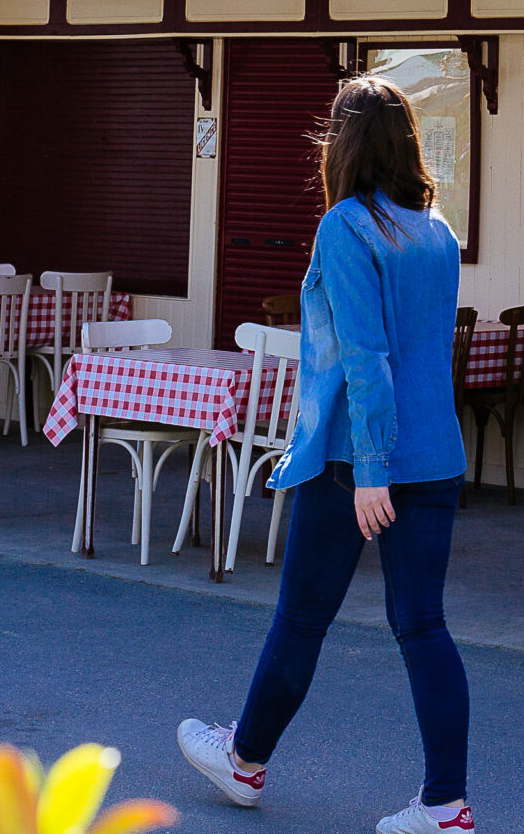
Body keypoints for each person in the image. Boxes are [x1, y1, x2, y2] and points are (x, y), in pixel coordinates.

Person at [180, 76, 477, 834]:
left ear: (342, 148)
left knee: (303, 617)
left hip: (357, 461)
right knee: (423, 626)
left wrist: (372, 469)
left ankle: (245, 761)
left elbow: (366, 356)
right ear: (409, 144)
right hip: (436, 454)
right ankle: (446, 804)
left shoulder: (348, 226)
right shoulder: (436, 230)